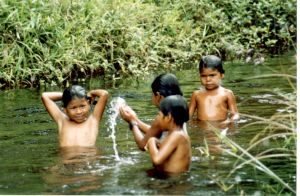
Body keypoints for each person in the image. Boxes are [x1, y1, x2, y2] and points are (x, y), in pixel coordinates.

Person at [119, 73, 183, 150]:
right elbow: (155, 130)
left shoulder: (162, 116)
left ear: (158, 96)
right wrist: (135, 119)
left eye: (152, 94)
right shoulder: (180, 109)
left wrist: (132, 123)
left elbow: (142, 145)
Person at [41, 85, 108, 147]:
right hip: (67, 159)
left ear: (89, 104)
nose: (79, 112)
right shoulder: (62, 121)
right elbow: (45, 96)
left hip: (88, 158)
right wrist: (70, 96)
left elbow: (104, 94)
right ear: (65, 110)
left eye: (82, 106)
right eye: (73, 108)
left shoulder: (93, 120)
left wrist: (89, 94)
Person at [144, 95, 191, 173]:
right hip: (170, 178)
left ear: (168, 117)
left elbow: (157, 160)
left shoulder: (177, 135)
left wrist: (151, 141)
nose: (157, 119)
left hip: (172, 182)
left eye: (159, 115)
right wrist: (157, 142)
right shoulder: (176, 134)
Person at [189, 55, 239, 123]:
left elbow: (235, 115)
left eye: (212, 75)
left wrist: (228, 122)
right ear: (199, 76)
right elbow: (188, 116)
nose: (208, 79)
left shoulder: (227, 94)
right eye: (203, 76)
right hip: (201, 129)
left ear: (221, 75)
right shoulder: (196, 94)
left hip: (221, 128)